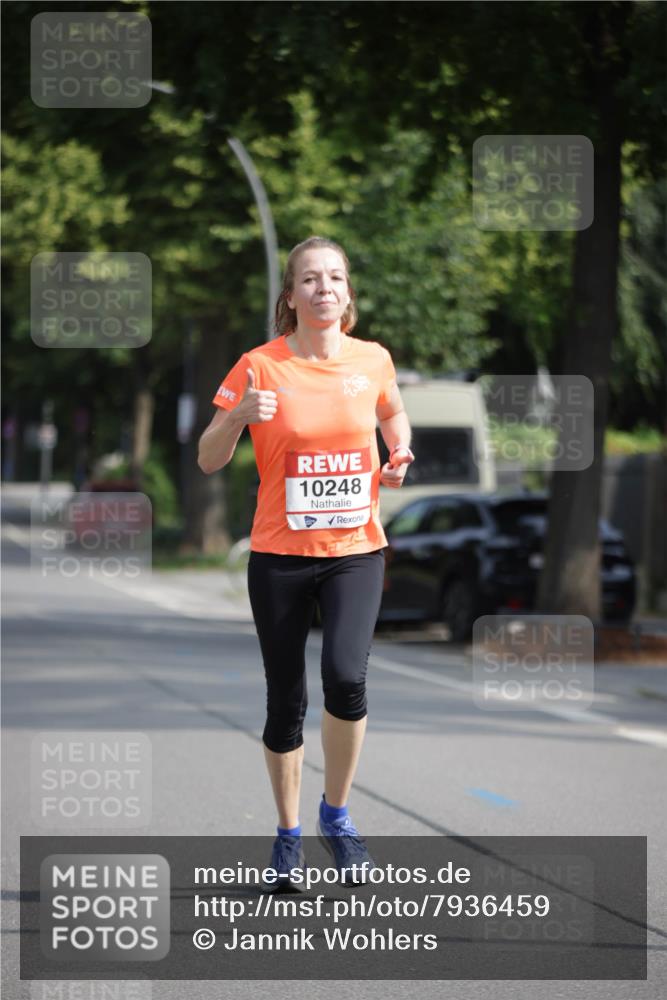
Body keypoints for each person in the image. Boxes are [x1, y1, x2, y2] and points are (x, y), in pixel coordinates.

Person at [198, 236, 413, 890]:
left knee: (346, 678)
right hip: (279, 556)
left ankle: (336, 815)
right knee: (285, 700)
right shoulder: (258, 366)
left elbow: (393, 412)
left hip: (355, 551)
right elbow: (208, 458)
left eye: (335, 278)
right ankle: (287, 835)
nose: (324, 288)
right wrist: (237, 416)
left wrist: (399, 451)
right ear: (289, 296)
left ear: (348, 294)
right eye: (311, 279)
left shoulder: (372, 359)